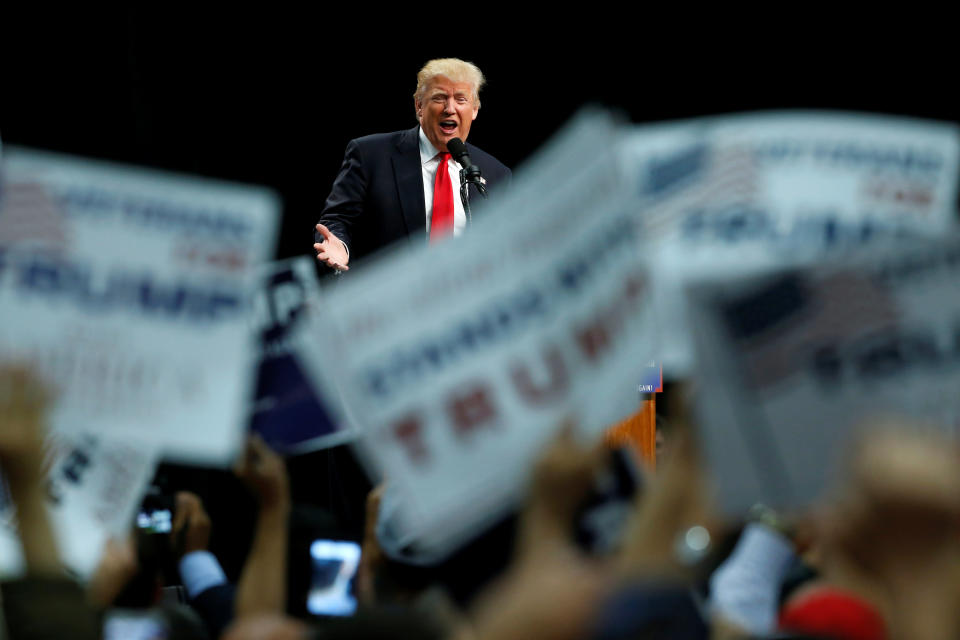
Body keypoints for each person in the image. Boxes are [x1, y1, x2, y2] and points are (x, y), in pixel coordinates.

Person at [314, 57, 512, 272]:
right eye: (439, 98)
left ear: (474, 109)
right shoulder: (370, 154)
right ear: (419, 106)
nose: (450, 108)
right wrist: (339, 245)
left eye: (461, 99)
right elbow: (338, 219)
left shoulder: (496, 174)